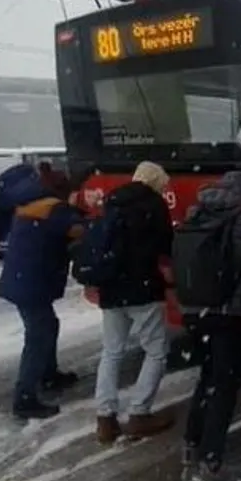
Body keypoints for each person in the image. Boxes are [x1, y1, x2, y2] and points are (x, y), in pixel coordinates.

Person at [174, 170, 241, 481]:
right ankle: (211, 462)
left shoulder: (195, 213)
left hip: (193, 310)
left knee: (208, 379)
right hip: (226, 312)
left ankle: (191, 443)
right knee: (225, 386)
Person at [91, 161, 176, 445]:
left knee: (112, 351)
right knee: (156, 351)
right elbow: (166, 246)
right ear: (155, 182)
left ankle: (105, 418)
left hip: (111, 287)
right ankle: (139, 413)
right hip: (143, 288)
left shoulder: (113, 200)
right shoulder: (154, 205)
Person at [0, 163, 85, 419]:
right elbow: (77, 230)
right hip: (31, 283)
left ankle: (48, 375)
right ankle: (24, 399)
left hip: (24, 280)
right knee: (38, 336)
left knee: (47, 326)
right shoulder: (52, 208)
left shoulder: (31, 203)